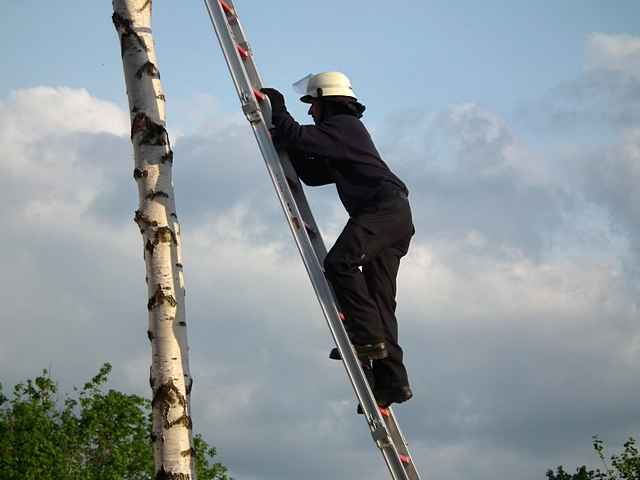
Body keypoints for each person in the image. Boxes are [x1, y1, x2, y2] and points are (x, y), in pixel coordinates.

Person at [261, 72, 414, 407]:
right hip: (393, 216)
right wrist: (287, 143)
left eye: (312, 104)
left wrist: (277, 107)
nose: (311, 111)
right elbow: (315, 175)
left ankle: (366, 336)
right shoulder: (341, 136)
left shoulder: (345, 125)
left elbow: (298, 134)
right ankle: (392, 382)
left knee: (339, 263)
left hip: (382, 209)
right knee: (379, 299)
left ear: (326, 100)